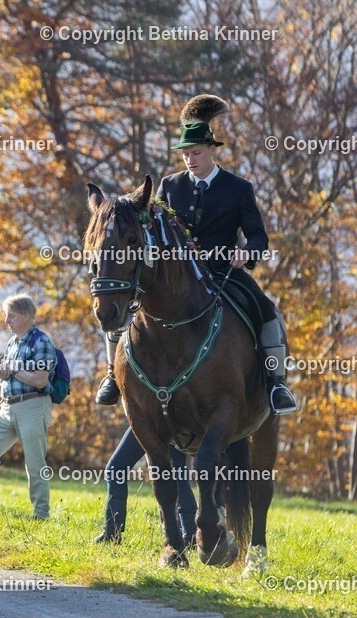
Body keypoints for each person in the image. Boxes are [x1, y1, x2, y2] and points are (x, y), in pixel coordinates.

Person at [95, 94, 298, 415]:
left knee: (266, 310)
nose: (190, 159)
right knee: (125, 303)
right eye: (186, 154)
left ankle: (276, 383)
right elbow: (154, 226)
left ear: (212, 151)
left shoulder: (238, 188)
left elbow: (259, 236)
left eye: (196, 153)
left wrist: (247, 252)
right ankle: (111, 374)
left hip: (223, 272)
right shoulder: (169, 185)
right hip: (176, 276)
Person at [0, 294, 55, 518]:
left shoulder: (42, 341)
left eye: (11, 315)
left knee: (34, 462)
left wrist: (13, 370)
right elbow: (8, 376)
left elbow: (40, 380)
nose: (6, 321)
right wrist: (1, 374)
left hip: (32, 406)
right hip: (7, 408)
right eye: (6, 315)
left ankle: (41, 514)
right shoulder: (13, 342)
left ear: (27, 316)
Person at [95, 429, 197, 545]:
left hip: (150, 421)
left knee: (116, 469)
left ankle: (112, 532)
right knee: (179, 476)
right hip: (177, 423)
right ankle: (191, 535)